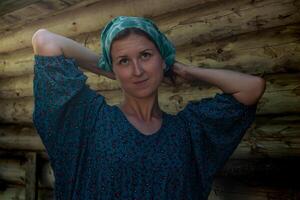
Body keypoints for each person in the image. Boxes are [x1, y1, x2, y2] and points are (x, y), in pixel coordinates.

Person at [31, 16, 265, 200]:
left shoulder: (188, 132)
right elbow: (44, 40)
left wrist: (183, 70)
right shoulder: (88, 122)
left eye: (145, 55)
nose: (137, 70)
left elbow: (252, 88)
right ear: (113, 68)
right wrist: (107, 69)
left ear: (162, 60)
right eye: (124, 61)